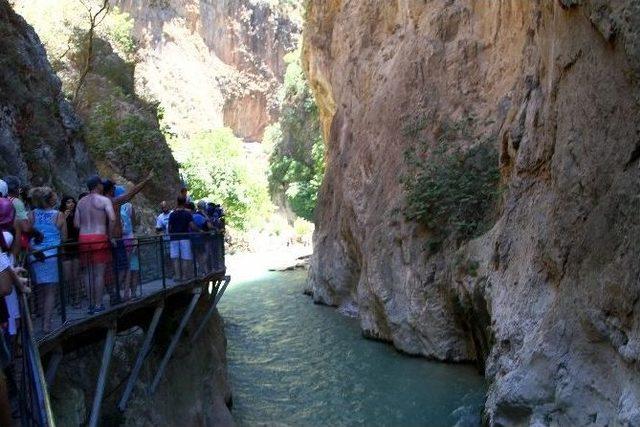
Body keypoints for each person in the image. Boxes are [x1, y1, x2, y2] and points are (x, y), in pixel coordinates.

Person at [75, 176, 115, 314]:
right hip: (99, 237)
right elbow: (112, 219)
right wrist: (110, 236)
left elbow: (76, 224)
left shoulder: (80, 202)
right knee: (99, 274)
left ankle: (91, 304)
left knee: (87, 273)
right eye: (101, 184)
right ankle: (98, 304)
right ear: (98, 185)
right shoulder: (104, 200)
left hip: (83, 238)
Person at [28, 187, 66, 333]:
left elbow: (29, 233)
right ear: (50, 199)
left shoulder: (31, 214)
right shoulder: (59, 215)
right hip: (52, 255)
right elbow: (64, 237)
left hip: (35, 254)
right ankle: (46, 324)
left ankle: (36, 323)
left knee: (40, 290)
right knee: (50, 291)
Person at [168, 196, 200, 282]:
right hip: (185, 238)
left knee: (175, 258)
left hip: (174, 238)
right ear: (185, 203)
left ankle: (178, 276)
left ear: (177, 202)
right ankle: (185, 276)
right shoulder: (187, 214)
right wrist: (199, 230)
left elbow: (169, 227)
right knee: (185, 257)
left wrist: (171, 233)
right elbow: (192, 226)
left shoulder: (172, 214)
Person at [59, 196, 81, 307]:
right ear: (64, 204)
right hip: (65, 248)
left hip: (76, 247)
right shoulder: (61, 215)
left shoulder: (77, 215)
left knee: (76, 275)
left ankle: (77, 299)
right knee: (67, 277)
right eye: (68, 202)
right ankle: (69, 298)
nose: (71, 204)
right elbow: (57, 230)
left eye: (72, 202)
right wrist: (64, 218)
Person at [3, 176, 31, 259]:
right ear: (15, 189)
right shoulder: (16, 202)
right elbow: (26, 227)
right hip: (13, 243)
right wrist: (37, 233)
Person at [192, 200, 211, 275]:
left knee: (198, 255)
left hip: (194, 238)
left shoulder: (193, 215)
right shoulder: (203, 216)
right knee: (205, 253)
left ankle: (203, 270)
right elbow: (209, 226)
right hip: (204, 237)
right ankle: (201, 269)